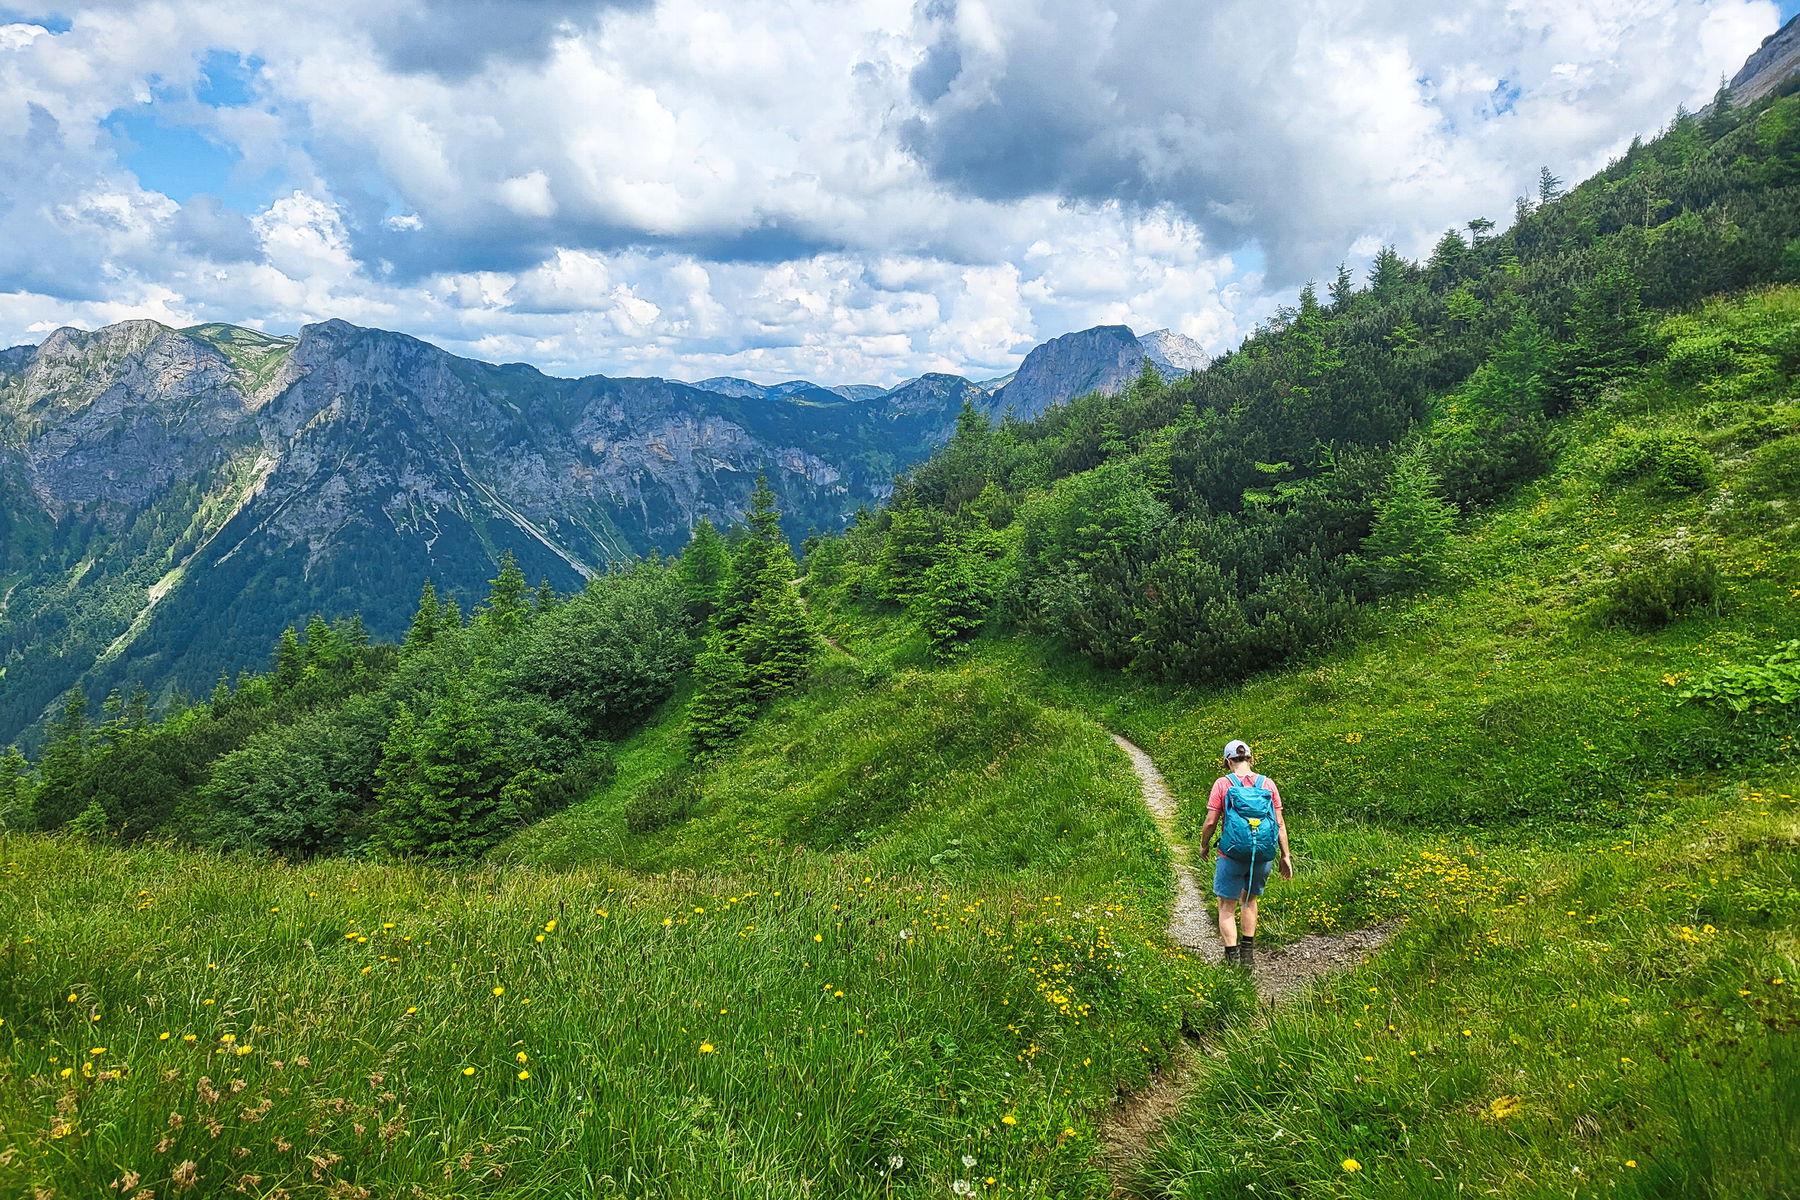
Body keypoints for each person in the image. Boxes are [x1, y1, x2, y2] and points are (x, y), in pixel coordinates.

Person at [1197, 739, 1293, 972]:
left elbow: (1211, 821)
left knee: (1226, 905)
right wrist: (1285, 855)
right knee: (1249, 900)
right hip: (1262, 853)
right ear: (1251, 759)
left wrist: (1204, 845)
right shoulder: (1267, 784)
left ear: (1228, 761)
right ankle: (1248, 955)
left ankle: (1231, 960)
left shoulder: (1223, 784)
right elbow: (1279, 823)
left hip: (1231, 853)